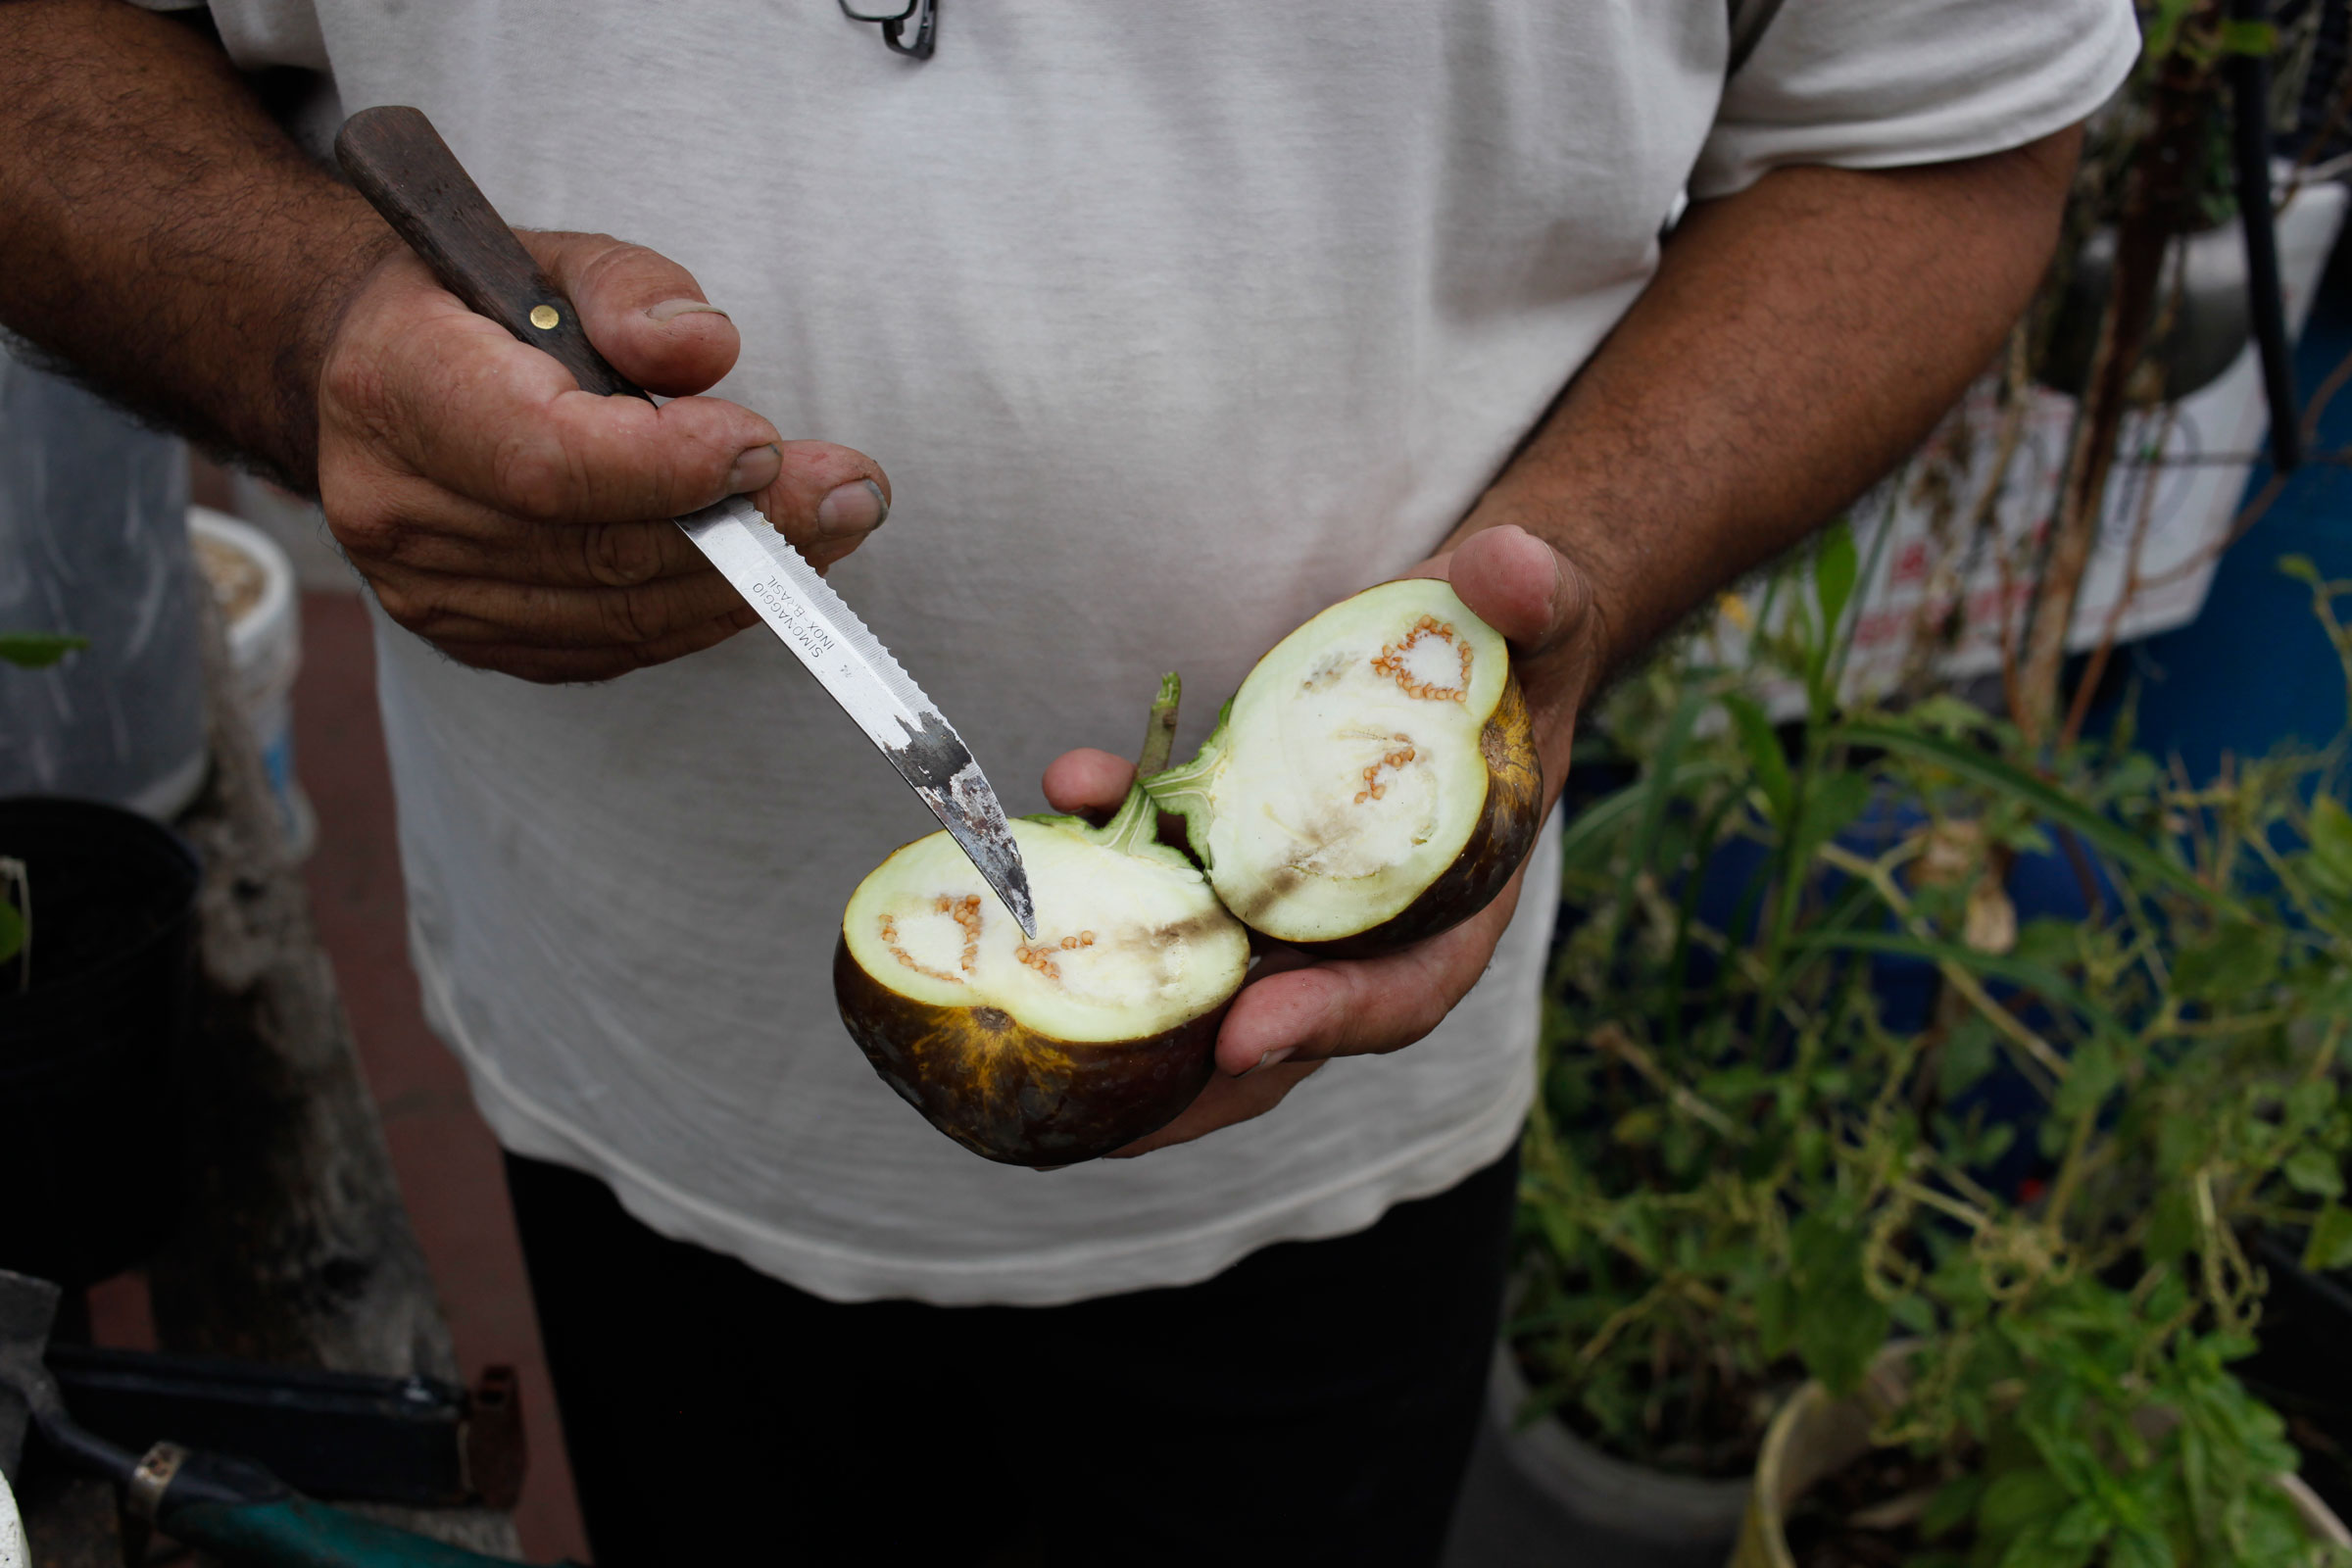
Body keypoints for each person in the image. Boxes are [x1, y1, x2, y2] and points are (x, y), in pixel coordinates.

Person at [0, 1, 2139, 1560]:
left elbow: (1943, 132)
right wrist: (299, 334)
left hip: (1334, 1143)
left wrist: (1570, 575)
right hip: (632, 1051)